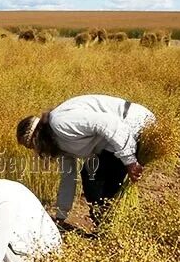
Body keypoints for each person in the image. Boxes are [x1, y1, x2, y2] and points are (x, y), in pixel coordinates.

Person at [16, 95, 155, 224]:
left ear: (37, 138)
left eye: (33, 146)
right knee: (94, 177)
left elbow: (109, 124)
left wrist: (130, 161)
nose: (38, 152)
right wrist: (61, 216)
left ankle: (108, 224)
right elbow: (68, 178)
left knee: (95, 177)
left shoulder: (59, 123)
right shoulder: (57, 144)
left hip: (133, 124)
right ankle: (107, 224)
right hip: (115, 139)